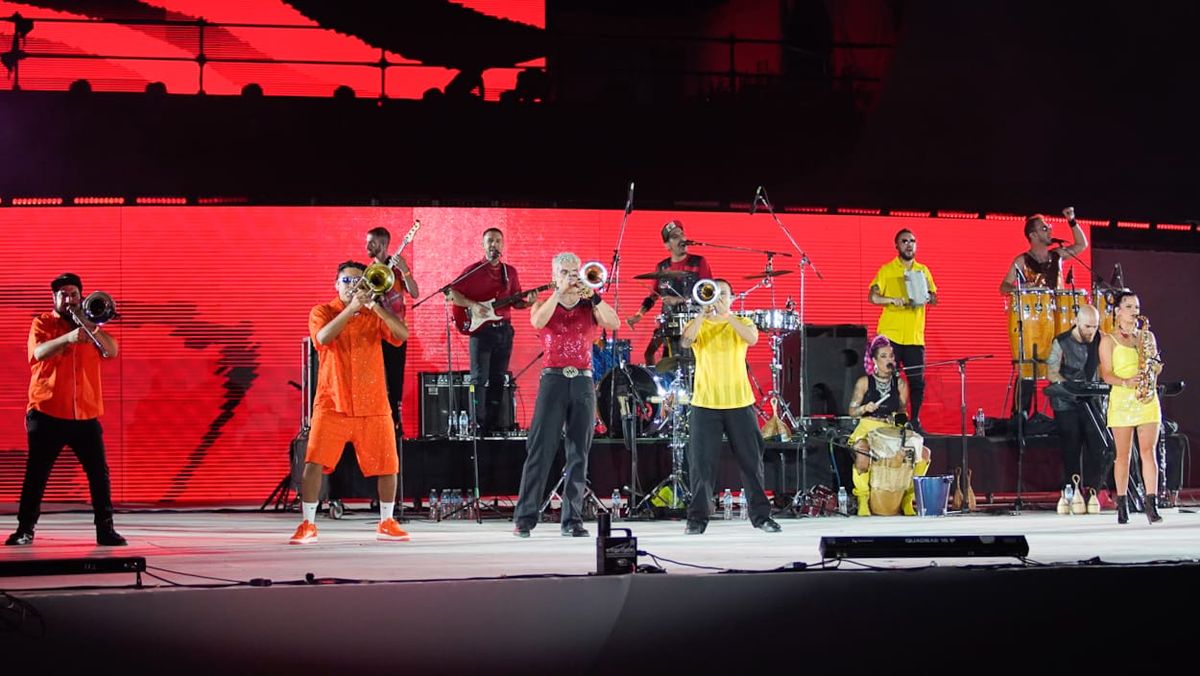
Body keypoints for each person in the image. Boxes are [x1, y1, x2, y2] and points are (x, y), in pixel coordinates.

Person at [290, 261, 411, 544]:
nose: (352, 286)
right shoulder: (322, 311)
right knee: (314, 462)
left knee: (388, 464)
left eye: (358, 281)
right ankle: (308, 524)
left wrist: (375, 307)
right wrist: (350, 309)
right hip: (333, 402)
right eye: (346, 281)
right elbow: (322, 337)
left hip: (374, 404)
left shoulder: (373, 314)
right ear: (336, 284)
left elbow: (401, 335)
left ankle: (386, 521)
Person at [6, 273, 125, 547]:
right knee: (37, 474)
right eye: (63, 295)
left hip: (85, 414)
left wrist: (91, 328)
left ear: (81, 297)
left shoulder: (91, 326)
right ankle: (25, 530)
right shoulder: (42, 322)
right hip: (47, 411)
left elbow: (112, 351)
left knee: (99, 474)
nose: (68, 299)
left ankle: (105, 530)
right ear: (54, 298)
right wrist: (68, 338)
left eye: (73, 294)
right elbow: (37, 354)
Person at [512, 253, 621, 537]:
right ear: (555, 275)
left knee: (579, 453)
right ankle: (525, 518)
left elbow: (615, 322)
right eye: (565, 272)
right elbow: (538, 322)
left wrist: (595, 296)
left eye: (576, 271)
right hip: (553, 381)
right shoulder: (543, 303)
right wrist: (558, 292)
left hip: (583, 382)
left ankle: (572, 520)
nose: (572, 276)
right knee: (540, 449)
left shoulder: (589, 305)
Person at [679, 279, 781, 534]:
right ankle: (697, 520)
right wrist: (703, 313)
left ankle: (761, 517)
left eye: (723, 293)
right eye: (713, 293)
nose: (717, 297)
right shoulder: (698, 324)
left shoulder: (742, 322)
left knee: (751, 462)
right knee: (702, 466)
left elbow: (752, 338)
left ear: (733, 298)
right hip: (705, 403)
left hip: (739, 402)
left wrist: (726, 314)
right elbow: (685, 341)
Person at [1000, 207, 1090, 414]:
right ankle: (1020, 418)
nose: (1049, 231)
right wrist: (1022, 288)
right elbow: (1003, 287)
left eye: (1049, 227)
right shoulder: (1022, 260)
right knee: (1030, 369)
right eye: (1044, 228)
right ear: (1033, 235)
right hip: (1035, 322)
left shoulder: (1057, 255)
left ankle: (1065, 416)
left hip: (1059, 318)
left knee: (1063, 367)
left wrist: (1072, 221)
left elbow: (1081, 245)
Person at [448, 228, 537, 436]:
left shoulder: (510, 272)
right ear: (483, 244)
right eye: (490, 241)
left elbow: (517, 303)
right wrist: (474, 305)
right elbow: (452, 293)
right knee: (479, 378)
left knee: (498, 378)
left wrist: (529, 303)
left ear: (503, 245)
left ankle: (493, 425)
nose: (494, 245)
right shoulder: (473, 271)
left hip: (503, 331)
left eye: (498, 241)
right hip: (481, 331)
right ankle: (477, 424)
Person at [845, 335, 931, 516]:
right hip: (868, 427)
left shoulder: (900, 384)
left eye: (891, 356)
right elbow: (851, 410)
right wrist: (864, 408)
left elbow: (902, 413)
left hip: (890, 430)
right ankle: (863, 500)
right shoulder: (864, 382)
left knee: (923, 454)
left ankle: (909, 499)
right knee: (862, 452)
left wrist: (899, 423)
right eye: (884, 356)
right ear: (874, 361)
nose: (890, 360)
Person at [1099, 291, 1163, 525]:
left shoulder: (1147, 336)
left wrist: (1154, 369)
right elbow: (1106, 374)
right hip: (1123, 399)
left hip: (1147, 399)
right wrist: (1126, 381)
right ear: (1117, 311)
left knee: (1148, 452)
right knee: (1123, 456)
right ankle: (1123, 504)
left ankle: (1151, 504)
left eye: (1136, 306)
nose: (1134, 310)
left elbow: (1155, 364)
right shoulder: (1108, 340)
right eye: (1128, 306)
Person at [868, 228, 937, 434]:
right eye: (904, 241)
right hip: (891, 336)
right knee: (887, 381)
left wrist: (926, 295)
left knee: (917, 382)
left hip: (914, 337)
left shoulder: (923, 271)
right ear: (897, 246)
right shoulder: (887, 270)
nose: (909, 244)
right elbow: (872, 297)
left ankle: (914, 420)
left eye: (913, 241)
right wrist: (891, 300)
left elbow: (934, 297)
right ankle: (890, 422)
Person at [1045, 305, 1112, 505]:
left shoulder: (1101, 338)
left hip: (1092, 400)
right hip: (1066, 402)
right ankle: (1071, 491)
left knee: (1099, 445)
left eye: (1094, 326)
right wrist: (1069, 387)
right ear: (1076, 321)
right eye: (1087, 326)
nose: (1091, 331)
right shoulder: (1061, 341)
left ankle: (1095, 490)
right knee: (1071, 447)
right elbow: (1051, 371)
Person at [626, 220, 714, 366]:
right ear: (667, 245)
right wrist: (639, 314)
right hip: (669, 322)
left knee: (691, 360)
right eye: (675, 236)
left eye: (682, 234)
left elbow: (709, 293)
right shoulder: (662, 267)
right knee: (649, 353)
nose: (681, 238)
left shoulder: (699, 262)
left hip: (694, 322)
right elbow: (653, 296)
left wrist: (679, 300)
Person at [366, 226, 419, 435]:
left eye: (371, 242)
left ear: (383, 244)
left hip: (395, 333)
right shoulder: (368, 271)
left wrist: (405, 269)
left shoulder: (397, 268)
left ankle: (395, 425)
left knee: (395, 381)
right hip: (372, 334)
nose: (367, 246)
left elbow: (414, 292)